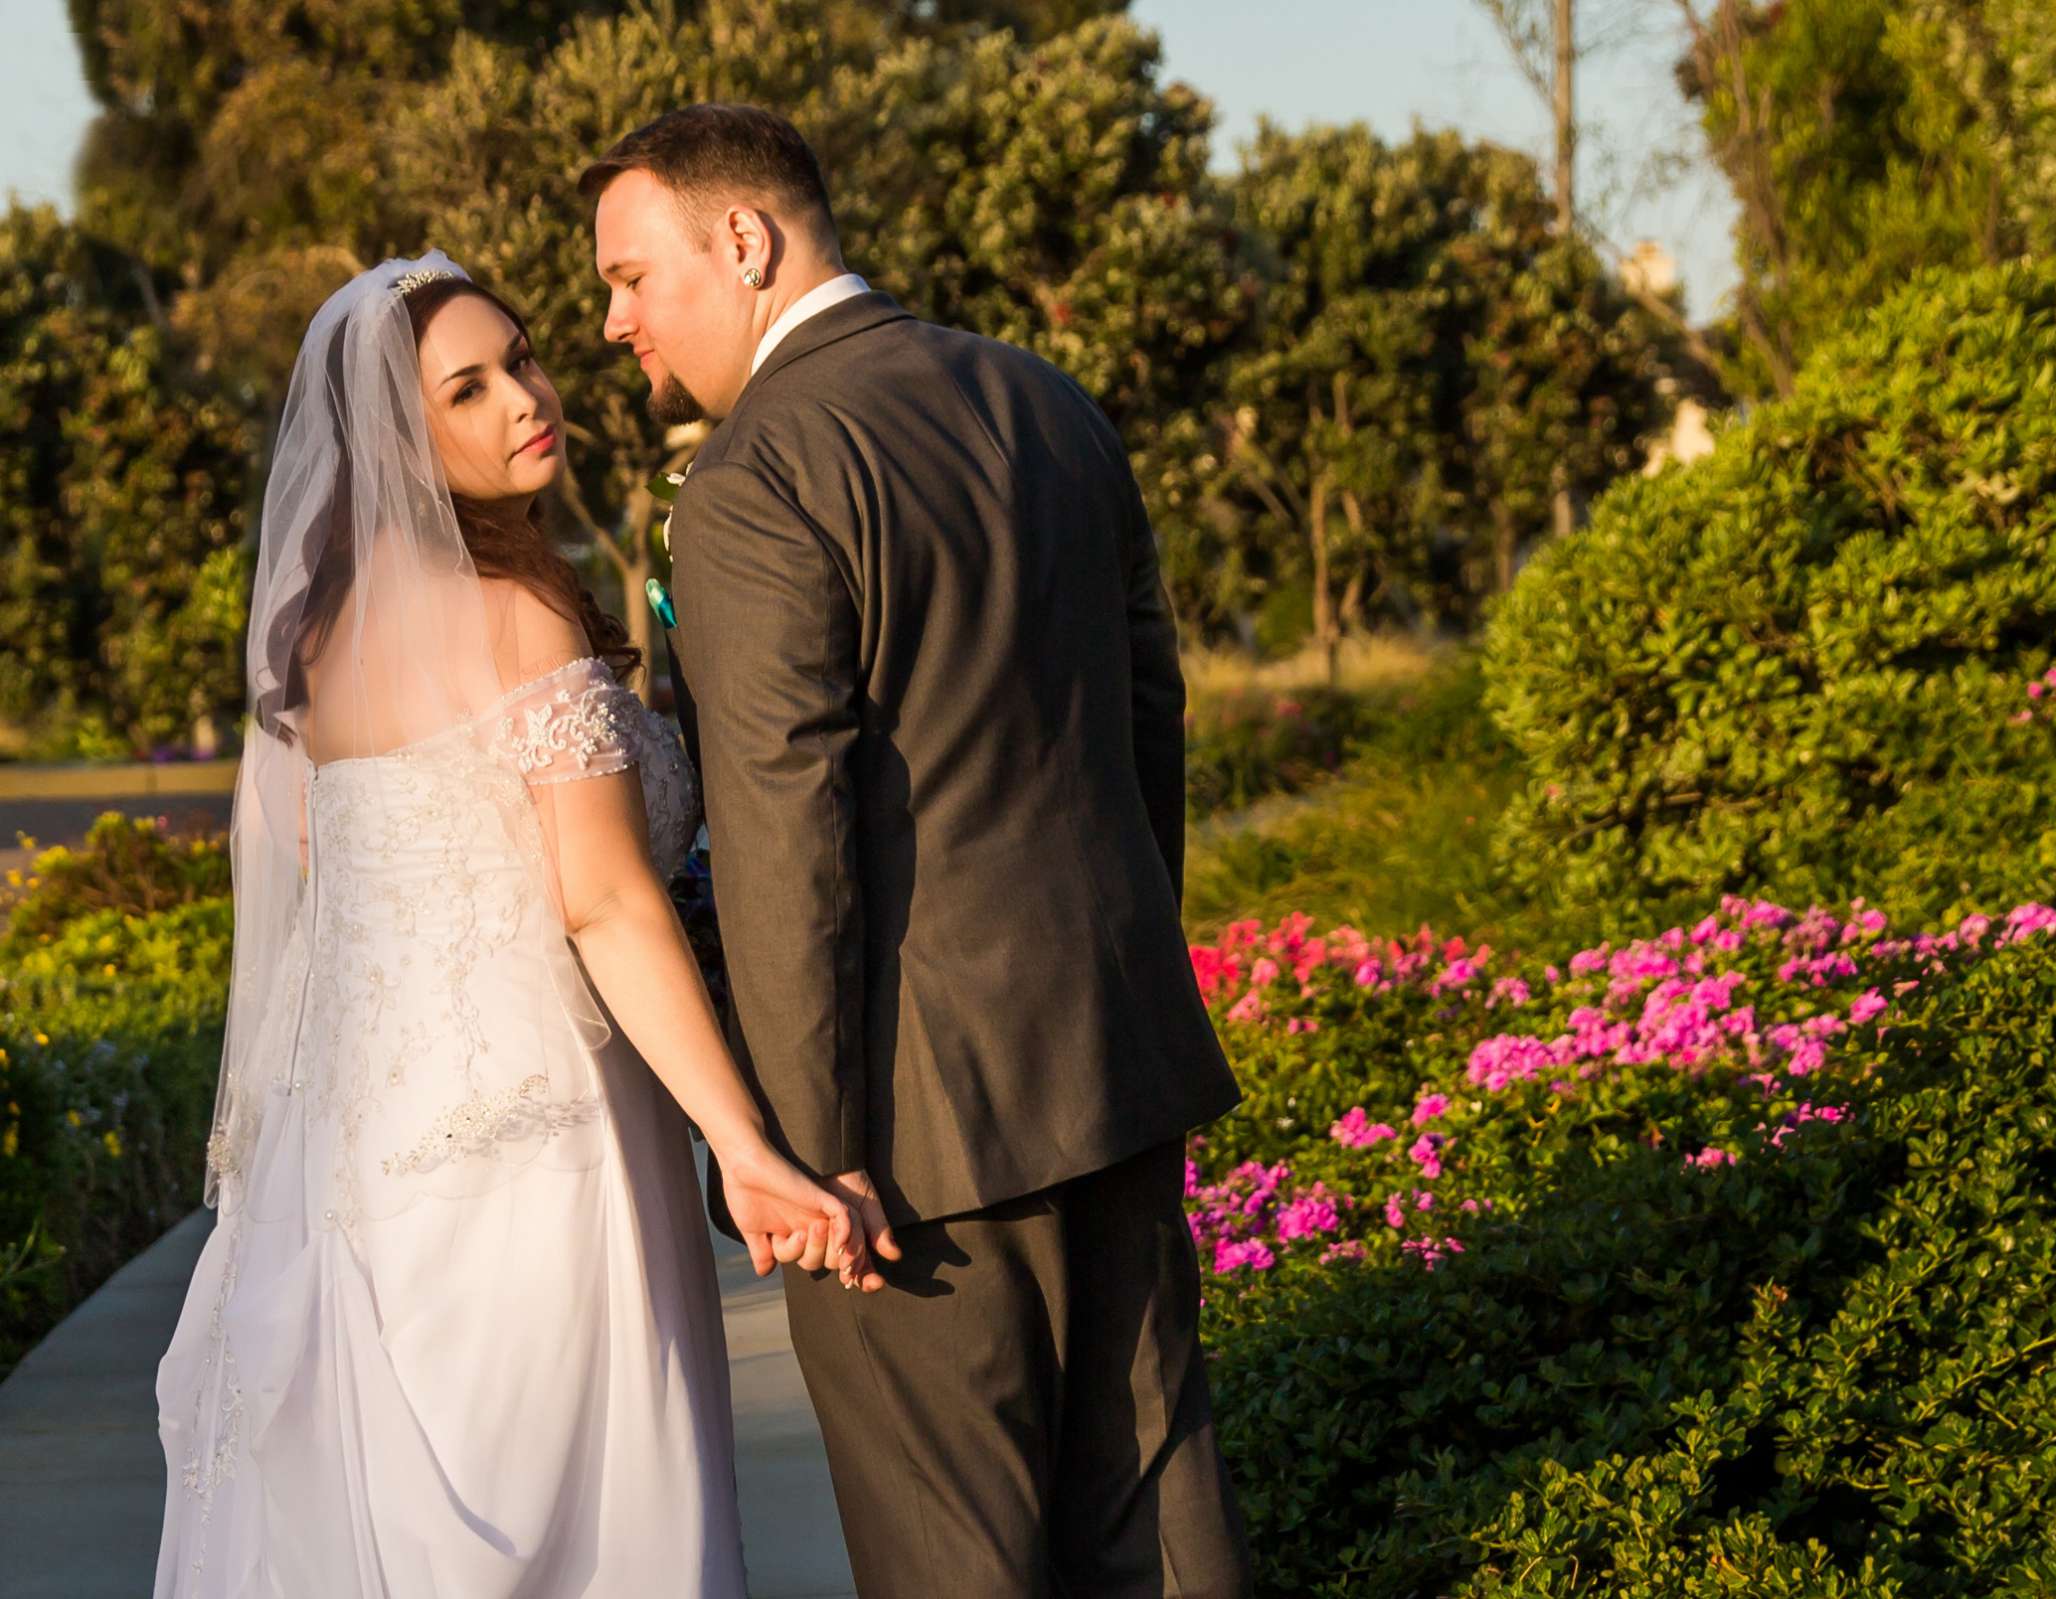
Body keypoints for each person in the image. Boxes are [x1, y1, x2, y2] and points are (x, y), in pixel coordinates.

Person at [582, 103, 1254, 1596]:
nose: (618, 322)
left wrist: (807, 1155)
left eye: (633, 276)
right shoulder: (1048, 401)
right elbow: (1150, 716)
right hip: (1116, 1061)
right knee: (1160, 1526)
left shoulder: (753, 477)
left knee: (958, 1558)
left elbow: (789, 836)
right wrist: (1127, 980)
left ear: (743, 239)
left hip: (908, 1139)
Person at [151, 251, 858, 1596]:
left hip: (350, 1162)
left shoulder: (316, 638)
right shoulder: (519, 616)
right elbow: (599, 898)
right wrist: (745, 1142)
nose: (523, 397)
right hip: (543, 1149)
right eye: (466, 389)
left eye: (521, 360)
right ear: (397, 440)